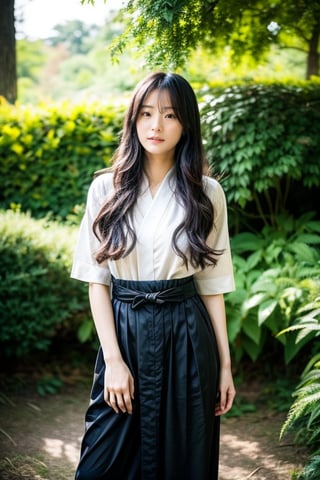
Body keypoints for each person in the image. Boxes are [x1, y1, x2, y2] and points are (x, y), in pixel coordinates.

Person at [71, 71, 236, 480]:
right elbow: (97, 280)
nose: (156, 126)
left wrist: (226, 367)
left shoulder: (207, 193)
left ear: (186, 124)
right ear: (133, 120)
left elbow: (212, 285)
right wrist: (113, 360)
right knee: (101, 464)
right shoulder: (105, 190)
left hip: (186, 334)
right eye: (146, 114)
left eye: (169, 115)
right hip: (125, 330)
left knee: (184, 459)